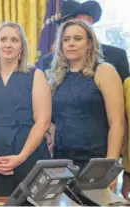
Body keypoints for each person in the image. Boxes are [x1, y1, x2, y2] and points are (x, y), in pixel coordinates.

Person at [0, 21, 51, 196]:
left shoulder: (36, 75)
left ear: (22, 47)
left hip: (29, 155)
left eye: (14, 40)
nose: (8, 44)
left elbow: (43, 121)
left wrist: (22, 157)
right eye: (3, 39)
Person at [48, 19, 124, 192]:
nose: (71, 44)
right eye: (66, 39)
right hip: (61, 164)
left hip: (95, 163)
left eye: (77, 38)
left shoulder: (104, 71)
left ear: (89, 43)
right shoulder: (57, 77)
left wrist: (110, 167)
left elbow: (117, 122)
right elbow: (54, 119)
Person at [42, 0, 129, 83]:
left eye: (74, 21)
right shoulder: (49, 61)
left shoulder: (116, 56)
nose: (70, 27)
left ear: (89, 20)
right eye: (65, 23)